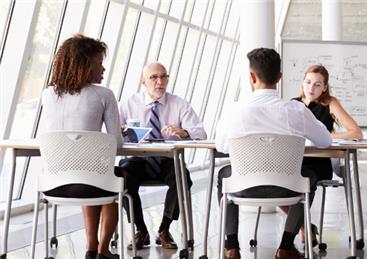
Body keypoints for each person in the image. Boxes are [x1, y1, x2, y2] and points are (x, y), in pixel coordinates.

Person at [215, 48, 332, 259]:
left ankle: (231, 246)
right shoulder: (296, 110)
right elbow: (325, 141)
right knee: (309, 177)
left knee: (223, 175)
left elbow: (222, 146)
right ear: (279, 77)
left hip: (244, 187)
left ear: (251, 77)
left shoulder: (233, 110)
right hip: (287, 188)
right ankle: (286, 246)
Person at [39, 34, 123, 259]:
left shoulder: (48, 95)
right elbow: (117, 142)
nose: (103, 68)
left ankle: (90, 247)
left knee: (94, 174)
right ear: (84, 65)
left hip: (54, 185)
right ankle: (103, 249)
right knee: (109, 178)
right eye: (99, 63)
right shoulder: (105, 94)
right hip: (94, 184)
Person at [118, 62, 207, 250]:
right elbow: (111, 131)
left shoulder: (179, 103)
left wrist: (183, 132)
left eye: (164, 76)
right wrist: (124, 131)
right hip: (137, 160)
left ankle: (164, 228)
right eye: (153, 77)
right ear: (143, 81)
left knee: (182, 177)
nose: (160, 82)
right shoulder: (129, 103)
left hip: (167, 160)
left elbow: (200, 133)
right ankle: (141, 229)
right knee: (121, 178)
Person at [287, 64, 363, 244]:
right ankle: (305, 225)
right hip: (294, 160)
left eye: (317, 84)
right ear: (303, 83)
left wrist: (329, 136)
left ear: (325, 87)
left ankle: (290, 239)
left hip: (318, 164)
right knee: (277, 182)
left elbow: (356, 133)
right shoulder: (292, 104)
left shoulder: (330, 103)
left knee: (305, 179)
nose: (311, 88)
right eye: (308, 82)